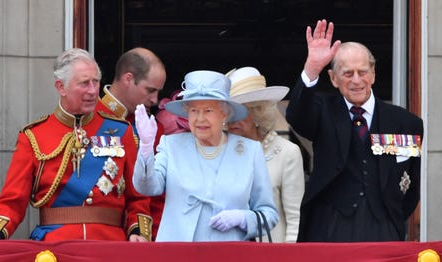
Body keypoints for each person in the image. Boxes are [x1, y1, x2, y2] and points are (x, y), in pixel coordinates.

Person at [0, 48, 151, 242]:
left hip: (109, 244)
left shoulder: (122, 131)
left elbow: (138, 197)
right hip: (55, 246)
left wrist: (138, 233)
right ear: (61, 87)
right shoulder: (34, 136)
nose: (92, 90)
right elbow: (12, 202)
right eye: (84, 83)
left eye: (96, 82)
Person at [285, 19, 424, 242]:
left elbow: (412, 186)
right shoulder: (323, 112)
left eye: (363, 72)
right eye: (348, 73)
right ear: (333, 78)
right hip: (330, 228)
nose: (356, 80)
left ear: (374, 74)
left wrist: (391, 218)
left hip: (383, 228)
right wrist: (312, 68)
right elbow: (296, 116)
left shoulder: (406, 123)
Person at [132, 70, 279, 241]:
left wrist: (244, 218)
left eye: (208, 110)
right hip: (178, 253)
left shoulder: (250, 151)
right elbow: (147, 187)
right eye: (194, 110)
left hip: (228, 253)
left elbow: (269, 215)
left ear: (224, 114)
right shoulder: (171, 145)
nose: (200, 118)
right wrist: (145, 147)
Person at [226, 66, 304, 243]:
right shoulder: (221, 152)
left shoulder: (287, 152)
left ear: (257, 112)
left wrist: (290, 257)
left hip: (272, 253)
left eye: (239, 112)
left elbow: (295, 218)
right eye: (228, 112)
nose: (232, 120)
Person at [95, 47, 166, 240]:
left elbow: (158, 200)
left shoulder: (155, 130)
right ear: (128, 79)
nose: (155, 100)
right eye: (150, 90)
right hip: (100, 237)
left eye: (158, 92)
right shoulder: (90, 120)